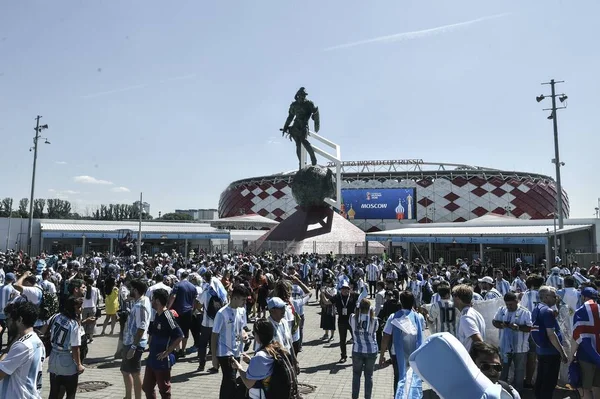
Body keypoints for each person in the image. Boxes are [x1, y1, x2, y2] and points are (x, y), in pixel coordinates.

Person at [231, 318, 298, 399]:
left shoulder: (260, 356)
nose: (253, 335)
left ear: (258, 335)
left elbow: (248, 383)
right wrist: (251, 361)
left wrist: (239, 367)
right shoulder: (278, 349)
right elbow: (268, 369)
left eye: (253, 333)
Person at [142, 288, 183, 399]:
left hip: (162, 360)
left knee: (164, 390)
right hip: (152, 358)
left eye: (153, 299)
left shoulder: (168, 316)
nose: (151, 301)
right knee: (147, 387)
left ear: (158, 301)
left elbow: (180, 335)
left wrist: (168, 352)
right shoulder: (157, 315)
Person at [0, 301, 45, 398]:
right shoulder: (37, 341)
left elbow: (1, 373)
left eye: (9, 319)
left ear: (19, 320)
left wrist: (7, 350)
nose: (7, 323)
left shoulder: (22, 345)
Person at [531, 285, 568, 399]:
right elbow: (551, 334)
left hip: (541, 350)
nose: (556, 298)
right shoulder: (547, 311)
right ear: (546, 297)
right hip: (551, 352)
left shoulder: (537, 308)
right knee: (549, 383)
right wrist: (562, 353)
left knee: (541, 381)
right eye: (554, 296)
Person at [211, 284, 248, 399]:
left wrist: (244, 335)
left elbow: (242, 328)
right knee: (230, 379)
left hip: (237, 351)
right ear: (235, 298)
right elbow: (214, 335)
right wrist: (214, 357)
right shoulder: (222, 313)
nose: (244, 302)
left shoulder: (242, 311)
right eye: (243, 299)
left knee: (229, 380)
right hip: (225, 352)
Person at [46, 296, 85, 399]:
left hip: (53, 357)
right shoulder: (74, 324)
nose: (81, 309)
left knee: (54, 392)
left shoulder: (56, 316)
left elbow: (44, 329)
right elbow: (75, 347)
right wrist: (79, 364)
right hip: (67, 359)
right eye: (79, 307)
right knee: (70, 392)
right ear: (73, 308)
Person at [492, 292, 532, 392]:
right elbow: (494, 322)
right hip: (504, 347)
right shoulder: (502, 310)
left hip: (520, 348)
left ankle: (518, 393)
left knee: (519, 372)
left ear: (516, 301)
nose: (509, 306)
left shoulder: (525, 312)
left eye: (511, 304)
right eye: (507, 304)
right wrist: (502, 324)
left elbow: (529, 328)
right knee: (503, 370)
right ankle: (501, 392)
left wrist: (518, 327)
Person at [121, 279, 151, 399]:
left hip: (134, 343)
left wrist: (133, 347)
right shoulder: (142, 300)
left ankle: (137, 397)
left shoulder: (140, 306)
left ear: (136, 290)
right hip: (130, 341)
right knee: (125, 371)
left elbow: (141, 327)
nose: (130, 291)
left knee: (134, 372)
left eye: (132, 289)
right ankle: (128, 396)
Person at [281, 87, 320, 169]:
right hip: (296, 125)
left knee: (304, 140)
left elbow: (315, 112)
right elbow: (290, 117)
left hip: (304, 125)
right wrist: (285, 127)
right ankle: (301, 163)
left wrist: (314, 117)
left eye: (304, 95)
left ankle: (313, 157)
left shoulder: (309, 104)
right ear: (298, 95)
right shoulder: (294, 105)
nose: (303, 97)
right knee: (298, 145)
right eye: (301, 95)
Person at [573, 287, 600, 399]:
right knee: (597, 387)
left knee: (585, 388)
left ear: (583, 297)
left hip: (585, 357)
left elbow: (576, 338)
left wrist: (570, 357)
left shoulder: (579, 312)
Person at [350, 298, 379, 399]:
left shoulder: (353, 318)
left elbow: (353, 318)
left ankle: (355, 397)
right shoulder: (374, 320)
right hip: (371, 350)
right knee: (369, 376)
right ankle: (368, 397)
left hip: (357, 349)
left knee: (356, 375)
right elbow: (376, 330)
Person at [325, 281, 359, 363]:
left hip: (352, 321)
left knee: (356, 339)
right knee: (342, 340)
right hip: (341, 321)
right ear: (341, 290)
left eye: (347, 289)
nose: (345, 291)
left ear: (349, 289)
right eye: (343, 289)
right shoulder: (337, 296)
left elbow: (363, 299)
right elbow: (327, 302)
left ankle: (356, 355)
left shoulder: (354, 295)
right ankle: (343, 356)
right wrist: (323, 294)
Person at [167, 272, 197, 358]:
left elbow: (173, 297)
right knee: (185, 331)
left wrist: (168, 308)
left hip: (177, 311)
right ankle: (183, 350)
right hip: (188, 311)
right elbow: (195, 299)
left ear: (180, 276)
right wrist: (193, 309)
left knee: (176, 331)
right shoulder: (193, 287)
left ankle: (178, 349)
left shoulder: (177, 285)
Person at [452, 284, 486, 352]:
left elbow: (479, 341)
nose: (452, 299)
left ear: (458, 299)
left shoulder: (466, 317)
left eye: (453, 297)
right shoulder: (475, 313)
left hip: (470, 359)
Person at [0, 273, 18, 352]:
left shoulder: (0, 287)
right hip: (9, 316)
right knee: (11, 333)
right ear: (13, 279)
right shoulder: (14, 290)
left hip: (0, 315)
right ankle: (8, 350)